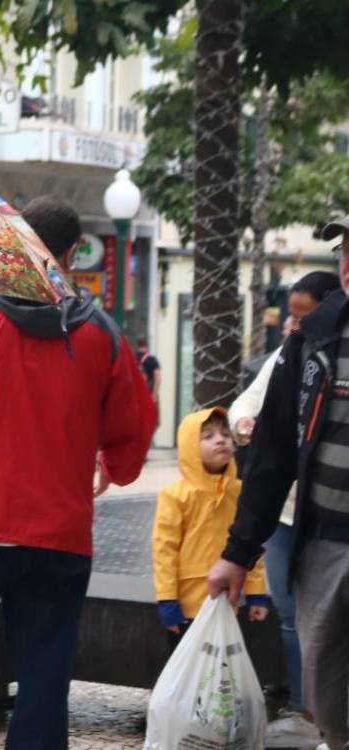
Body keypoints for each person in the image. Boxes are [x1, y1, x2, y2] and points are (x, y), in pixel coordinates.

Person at [0, 195, 156, 750]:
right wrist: (115, 466)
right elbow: (134, 429)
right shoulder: (102, 333)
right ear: (71, 252)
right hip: (60, 535)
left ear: (13, 240)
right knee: (45, 668)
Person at [209, 213, 349, 750]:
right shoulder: (312, 339)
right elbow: (272, 456)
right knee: (330, 702)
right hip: (325, 544)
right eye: (346, 250)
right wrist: (238, 552)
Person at [153, 407, 270, 647]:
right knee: (188, 665)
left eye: (226, 435)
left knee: (224, 664)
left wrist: (256, 592)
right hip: (187, 605)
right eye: (208, 436)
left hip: (228, 601)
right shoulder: (175, 496)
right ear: (189, 447)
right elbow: (164, 550)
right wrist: (167, 598)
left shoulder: (239, 492)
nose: (220, 440)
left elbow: (250, 543)